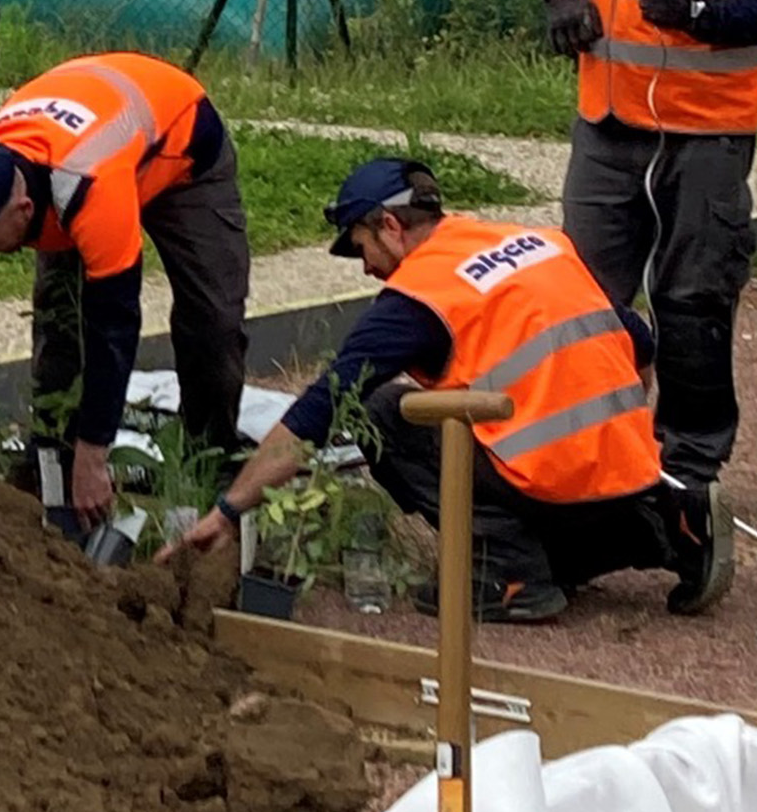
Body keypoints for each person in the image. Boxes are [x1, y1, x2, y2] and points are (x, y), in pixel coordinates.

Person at [167, 157, 731, 623]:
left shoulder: (421, 296)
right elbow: (637, 341)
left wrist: (229, 510)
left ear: (390, 226)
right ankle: (674, 527)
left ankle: (506, 572)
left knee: (379, 411)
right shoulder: (536, 244)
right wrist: (607, 437)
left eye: (361, 247)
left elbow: (323, 406)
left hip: (547, 485)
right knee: (551, 463)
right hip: (633, 474)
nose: (366, 269)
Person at [541, 0, 756, 488]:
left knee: (693, 301)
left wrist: (697, 13)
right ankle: (591, 452)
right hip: (605, 124)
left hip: (705, 134)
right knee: (585, 299)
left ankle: (687, 472)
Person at [0, 52, 250, 525]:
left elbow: (114, 324)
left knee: (211, 320)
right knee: (57, 316)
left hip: (181, 149)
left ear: (23, 210)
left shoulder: (87, 185)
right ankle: (52, 452)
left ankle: (210, 465)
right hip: (81, 137)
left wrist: (94, 456)